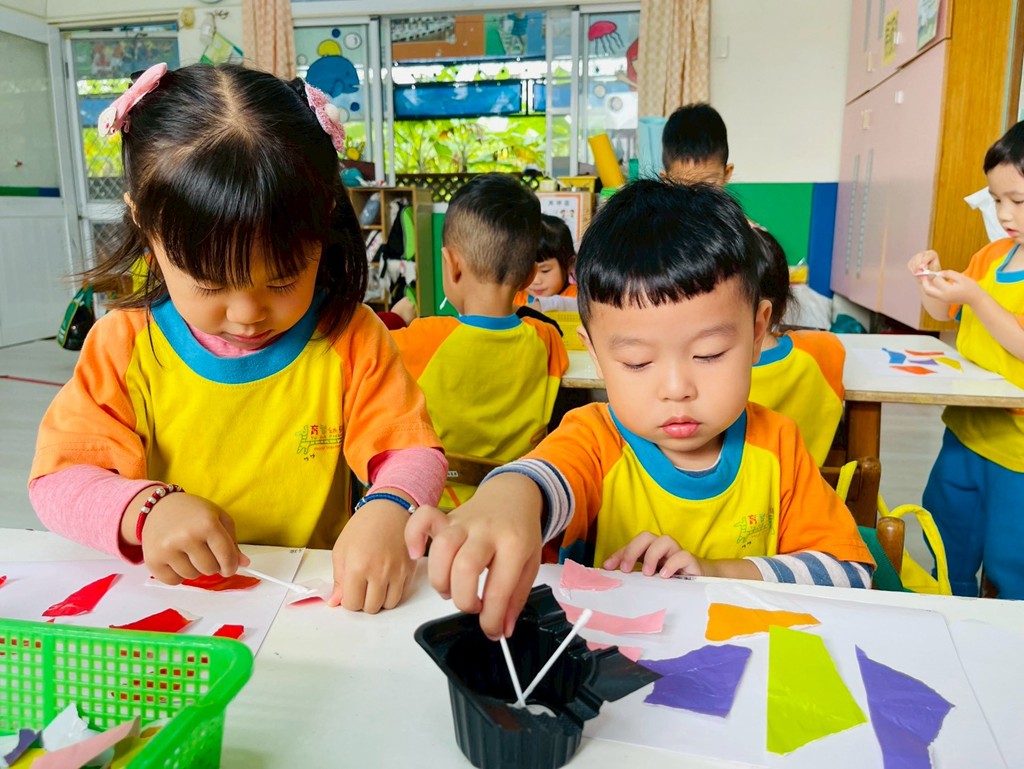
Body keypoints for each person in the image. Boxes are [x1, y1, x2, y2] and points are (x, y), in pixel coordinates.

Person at [29, 62, 445, 614]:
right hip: (176, 606)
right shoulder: (123, 346)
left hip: (314, 604)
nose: (248, 314)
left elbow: (411, 450)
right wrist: (146, 509)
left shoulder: (350, 338)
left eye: (283, 279)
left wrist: (391, 506)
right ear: (146, 227)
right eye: (210, 284)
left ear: (322, 223)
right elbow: (58, 480)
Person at [407, 180, 874, 639]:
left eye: (709, 354)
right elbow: (544, 479)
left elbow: (849, 574)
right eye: (637, 362)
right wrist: (508, 497)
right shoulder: (595, 440)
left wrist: (714, 571)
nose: (676, 389)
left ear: (757, 333)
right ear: (594, 352)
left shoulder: (778, 446)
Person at [390, 173, 568, 508]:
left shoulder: (421, 338)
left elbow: (366, 346)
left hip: (433, 509)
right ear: (530, 276)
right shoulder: (546, 340)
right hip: (511, 504)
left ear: (451, 265)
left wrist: (398, 318)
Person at [908, 120, 1024, 599]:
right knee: (945, 533)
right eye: (996, 200)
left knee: (1009, 557)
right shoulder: (993, 255)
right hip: (966, 427)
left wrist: (976, 296)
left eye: (1017, 200)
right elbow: (944, 313)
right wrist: (929, 281)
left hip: (1016, 448)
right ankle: (951, 613)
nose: (1004, 213)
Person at [748, 230, 845, 466]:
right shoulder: (822, 351)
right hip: (805, 484)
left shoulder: (702, 372)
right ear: (783, 305)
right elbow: (827, 342)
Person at [514, 214, 578, 312]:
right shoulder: (513, 298)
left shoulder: (579, 299)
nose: (536, 281)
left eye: (545, 270)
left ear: (569, 264)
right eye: (527, 271)